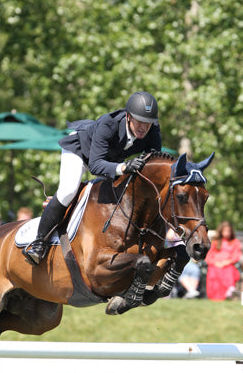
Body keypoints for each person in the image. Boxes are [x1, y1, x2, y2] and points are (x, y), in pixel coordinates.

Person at [25, 91, 162, 265]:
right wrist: (124, 167)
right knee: (68, 190)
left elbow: (155, 161)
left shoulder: (152, 130)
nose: (144, 127)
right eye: (140, 121)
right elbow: (96, 166)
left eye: (148, 123)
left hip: (111, 159)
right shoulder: (108, 124)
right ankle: (39, 242)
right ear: (128, 116)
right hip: (80, 151)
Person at [205, 221, 242, 300]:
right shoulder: (215, 242)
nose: (227, 233)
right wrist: (216, 263)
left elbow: (236, 255)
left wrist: (227, 262)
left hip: (228, 264)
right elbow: (209, 256)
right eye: (225, 231)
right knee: (213, 271)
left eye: (228, 231)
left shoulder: (235, 242)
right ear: (221, 231)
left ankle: (229, 291)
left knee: (229, 270)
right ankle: (215, 296)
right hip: (215, 264)